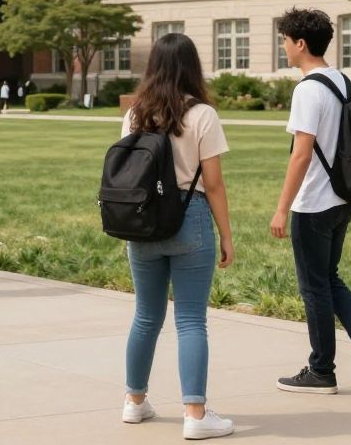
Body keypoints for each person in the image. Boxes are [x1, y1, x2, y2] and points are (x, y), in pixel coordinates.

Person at [272, 8, 351, 397]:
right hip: (343, 197)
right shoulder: (340, 79)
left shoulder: (307, 89)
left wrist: (281, 207)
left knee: (314, 287)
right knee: (329, 278)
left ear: (300, 43)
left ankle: (321, 370)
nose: (283, 46)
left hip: (313, 204)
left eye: (285, 40)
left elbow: (301, 154)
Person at [120, 33, 235, 439]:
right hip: (191, 219)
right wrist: (226, 236)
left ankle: (134, 401)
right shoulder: (202, 115)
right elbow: (214, 184)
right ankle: (195, 414)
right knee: (190, 320)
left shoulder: (135, 114)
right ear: (192, 67)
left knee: (145, 316)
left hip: (143, 224)